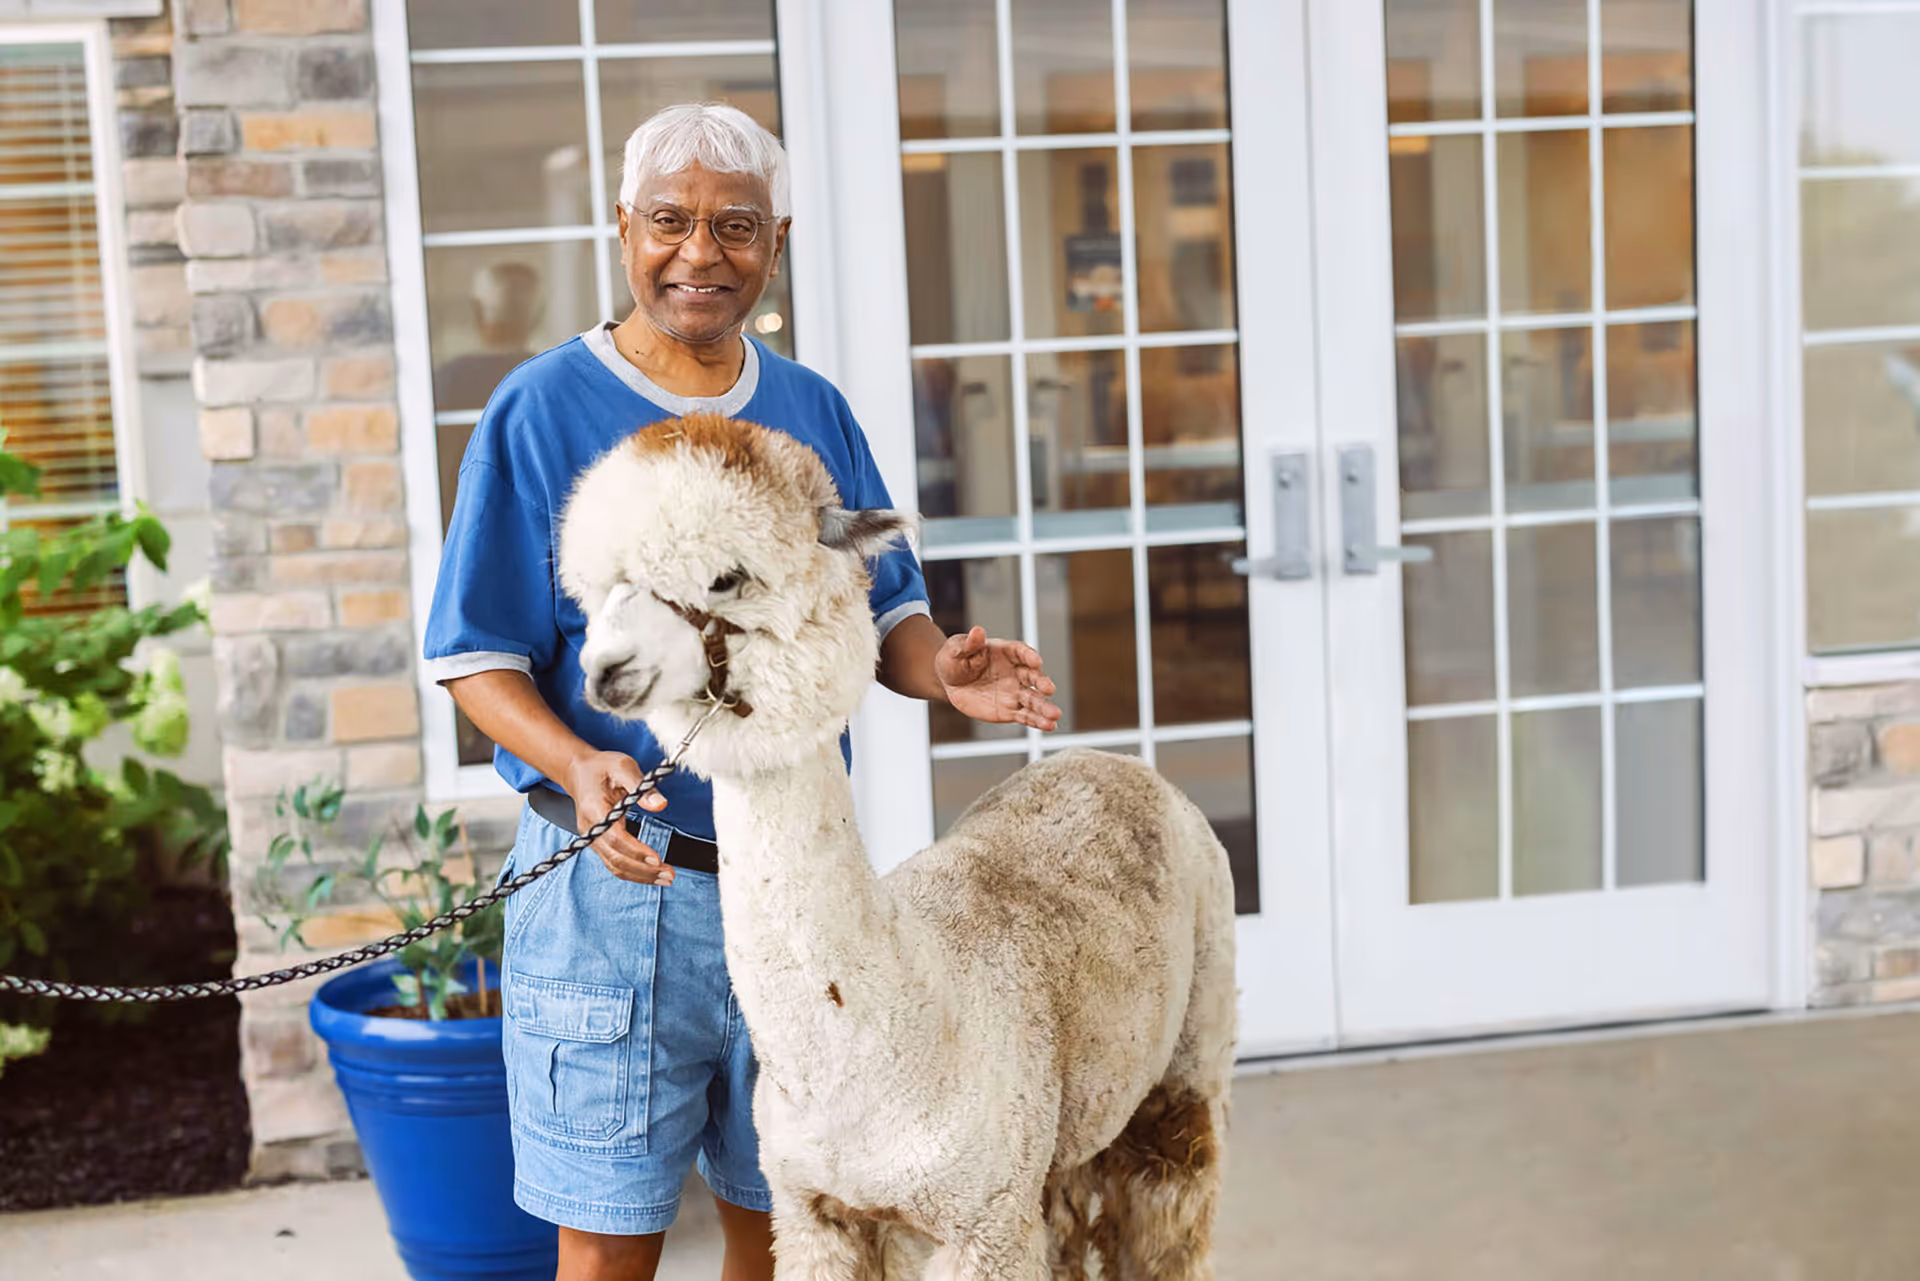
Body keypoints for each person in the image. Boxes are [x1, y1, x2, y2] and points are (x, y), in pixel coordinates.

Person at [422, 103, 1062, 1281]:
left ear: (775, 242)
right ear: (623, 229)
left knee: (791, 1232)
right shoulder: (539, 412)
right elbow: (477, 654)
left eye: (734, 226)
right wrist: (577, 765)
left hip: (802, 896)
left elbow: (882, 607)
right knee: (610, 1246)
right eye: (670, 221)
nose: (699, 253)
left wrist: (945, 671)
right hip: (610, 901)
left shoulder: (810, 413)